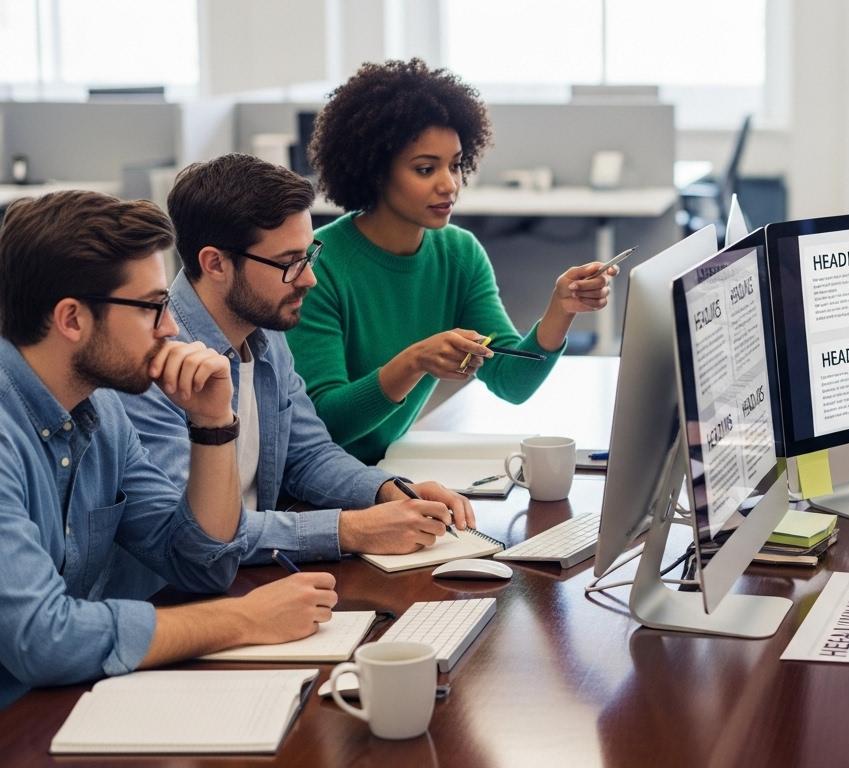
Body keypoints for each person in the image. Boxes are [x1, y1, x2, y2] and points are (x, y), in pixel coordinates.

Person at [0, 191, 335, 709]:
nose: (171, 328)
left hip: (71, 703)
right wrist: (243, 619)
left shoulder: (102, 411)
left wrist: (212, 425)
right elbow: (43, 639)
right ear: (71, 319)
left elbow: (202, 562)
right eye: (153, 307)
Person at [101, 155, 477, 601]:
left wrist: (388, 491)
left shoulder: (263, 332)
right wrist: (349, 529)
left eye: (309, 255)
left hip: (246, 578)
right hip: (169, 598)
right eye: (289, 263)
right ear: (216, 263)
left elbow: (308, 454)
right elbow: (193, 532)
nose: (310, 279)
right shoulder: (153, 361)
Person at [286, 59, 619, 463]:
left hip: (393, 464)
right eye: (426, 168)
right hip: (317, 483)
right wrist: (413, 362)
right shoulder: (319, 265)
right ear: (374, 171)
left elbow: (511, 382)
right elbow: (325, 425)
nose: (450, 184)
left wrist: (561, 310)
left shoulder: (459, 254)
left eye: (456, 164)